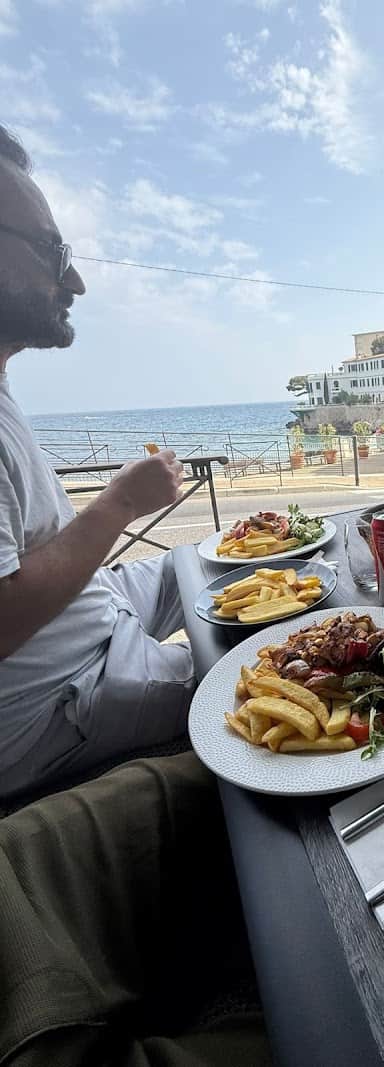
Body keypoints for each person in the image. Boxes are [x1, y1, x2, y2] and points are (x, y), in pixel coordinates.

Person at [0, 125, 194, 799]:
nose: (74, 278)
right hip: (66, 694)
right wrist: (120, 504)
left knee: (210, 560)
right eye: (53, 253)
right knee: (249, 666)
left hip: (94, 611)